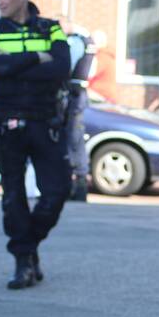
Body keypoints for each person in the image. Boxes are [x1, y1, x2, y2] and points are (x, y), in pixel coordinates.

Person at [0, 0, 71, 290]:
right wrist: (35, 57)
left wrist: (16, 65)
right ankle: (23, 263)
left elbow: (61, 68)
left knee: (57, 191)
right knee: (14, 197)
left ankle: (28, 246)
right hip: (7, 123)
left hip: (45, 122)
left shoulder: (51, 28)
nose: (0, 2)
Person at [66, 31, 94, 201]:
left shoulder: (74, 43)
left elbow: (66, 67)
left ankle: (79, 184)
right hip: (77, 95)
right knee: (74, 139)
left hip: (73, 97)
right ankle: (78, 183)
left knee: (73, 138)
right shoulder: (82, 42)